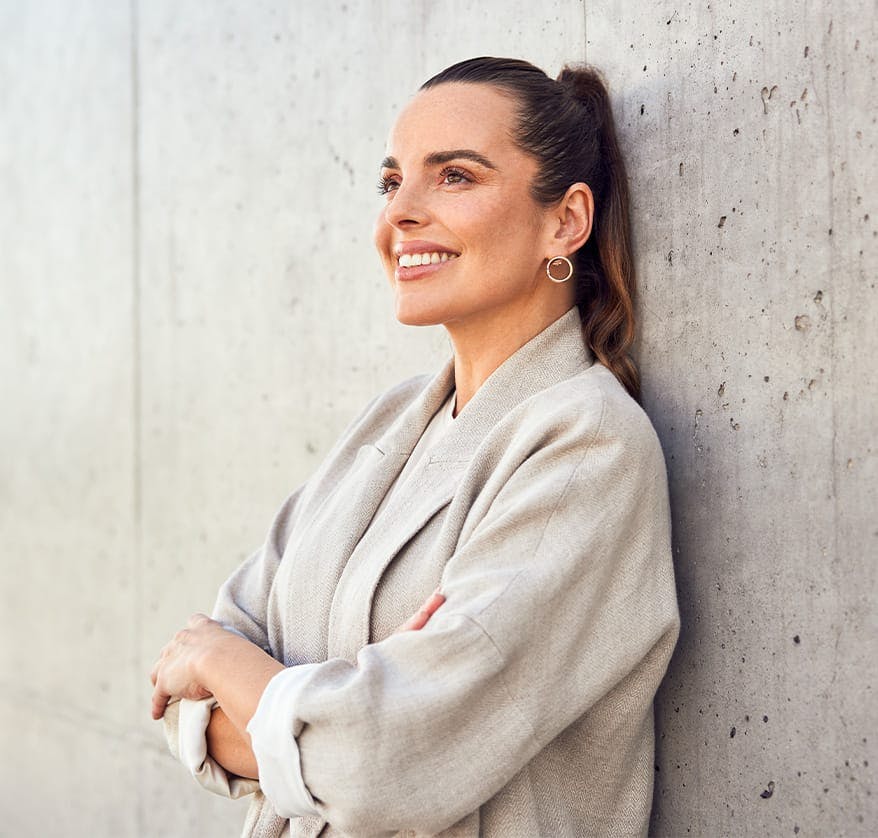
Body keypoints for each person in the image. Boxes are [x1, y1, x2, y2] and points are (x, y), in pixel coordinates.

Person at [150, 56, 680, 838]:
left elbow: (380, 761)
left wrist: (234, 672)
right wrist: (330, 705)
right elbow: (183, 709)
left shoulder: (588, 447)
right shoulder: (389, 424)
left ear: (565, 220)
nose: (401, 211)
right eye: (391, 181)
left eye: (455, 176)